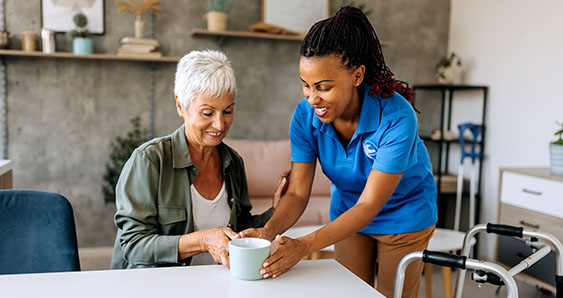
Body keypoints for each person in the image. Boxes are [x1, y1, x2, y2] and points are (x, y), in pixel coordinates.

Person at [238, 6, 438, 297]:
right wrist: (267, 232)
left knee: (389, 295)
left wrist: (304, 245)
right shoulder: (305, 116)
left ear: (357, 76)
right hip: (347, 212)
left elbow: (369, 205)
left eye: (323, 87)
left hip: (404, 213)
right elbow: (296, 193)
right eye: (305, 85)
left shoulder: (396, 117)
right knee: (350, 292)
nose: (312, 97)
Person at [111, 50, 284, 269]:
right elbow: (133, 246)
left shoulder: (233, 162)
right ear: (180, 105)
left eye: (227, 111)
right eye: (207, 113)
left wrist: (275, 212)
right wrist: (202, 240)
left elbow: (240, 229)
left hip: (216, 282)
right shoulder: (150, 161)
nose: (220, 125)